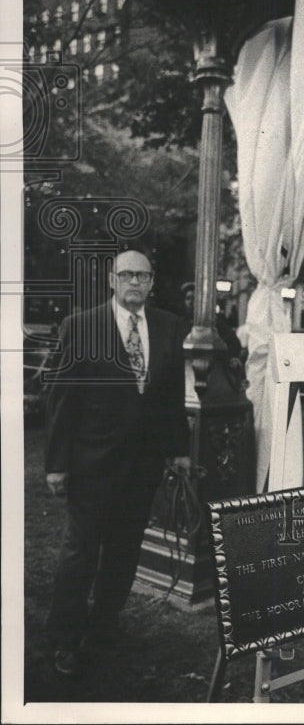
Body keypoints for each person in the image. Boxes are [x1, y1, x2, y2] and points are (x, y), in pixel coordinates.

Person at [44, 247, 190, 678]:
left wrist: (179, 450)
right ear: (111, 280)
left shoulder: (168, 327)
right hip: (91, 465)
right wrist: (56, 464)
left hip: (141, 469)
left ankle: (104, 627)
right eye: (126, 275)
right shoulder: (82, 326)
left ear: (151, 282)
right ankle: (65, 640)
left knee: (124, 553)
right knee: (80, 555)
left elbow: (169, 399)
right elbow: (60, 398)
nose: (134, 283)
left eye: (142, 276)